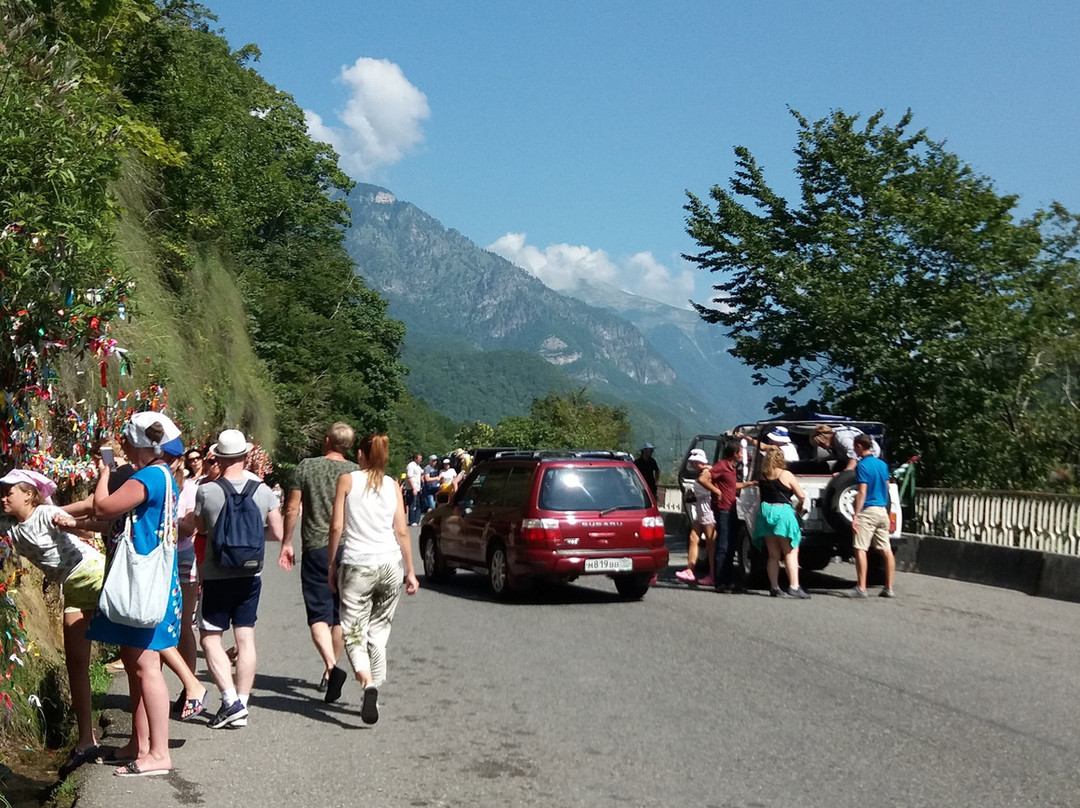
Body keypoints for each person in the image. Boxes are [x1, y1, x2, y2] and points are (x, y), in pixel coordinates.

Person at [85, 411, 185, 777]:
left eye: (126, 440)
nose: (122, 446)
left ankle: (158, 753)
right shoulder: (164, 475)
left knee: (146, 666)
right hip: (153, 581)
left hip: (146, 585)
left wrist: (104, 473)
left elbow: (102, 506)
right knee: (135, 663)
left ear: (139, 442)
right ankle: (139, 744)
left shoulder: (149, 477)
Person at [0, 469, 106, 775]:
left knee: (136, 643)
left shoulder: (45, 513)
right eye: (2, 492)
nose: (4, 496)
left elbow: (87, 507)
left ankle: (191, 686)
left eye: (10, 491)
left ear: (29, 494)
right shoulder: (12, 528)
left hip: (94, 575)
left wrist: (90, 500)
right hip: (73, 589)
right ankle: (87, 740)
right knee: (75, 662)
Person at [192, 429, 283, 729]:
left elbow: (201, 529)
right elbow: (278, 533)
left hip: (217, 574)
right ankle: (242, 703)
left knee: (210, 638)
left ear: (217, 457)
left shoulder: (207, 491)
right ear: (245, 457)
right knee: (245, 637)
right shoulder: (265, 491)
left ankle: (229, 700)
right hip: (250, 573)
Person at [328, 434, 419, 725]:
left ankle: (366, 682)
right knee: (379, 632)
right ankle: (375, 692)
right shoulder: (393, 485)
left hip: (357, 562)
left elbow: (337, 526)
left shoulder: (347, 480)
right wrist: (410, 571)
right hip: (390, 563)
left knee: (353, 630)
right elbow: (402, 531)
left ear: (360, 454)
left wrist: (332, 564)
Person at [278, 422, 358, 701]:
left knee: (318, 612)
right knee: (339, 614)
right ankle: (329, 673)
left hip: (316, 546)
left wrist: (287, 542)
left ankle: (331, 666)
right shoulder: (356, 472)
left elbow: (292, 507)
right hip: (350, 547)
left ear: (326, 440)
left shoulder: (307, 467)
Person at [752, 446, 810, 599]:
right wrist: (799, 507)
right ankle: (794, 586)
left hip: (765, 512)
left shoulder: (762, 475)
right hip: (782, 512)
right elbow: (801, 496)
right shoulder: (786, 474)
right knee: (790, 551)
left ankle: (774, 587)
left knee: (773, 554)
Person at [846, 434, 896, 598]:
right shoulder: (882, 464)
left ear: (860, 446)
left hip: (868, 511)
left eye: (855, 447)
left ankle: (861, 587)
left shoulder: (862, 466)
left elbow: (862, 491)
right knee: (886, 550)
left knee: (860, 548)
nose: (854, 450)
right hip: (882, 510)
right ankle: (888, 588)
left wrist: (856, 515)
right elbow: (887, 486)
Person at [709, 440, 758, 592]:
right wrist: (716, 491)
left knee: (730, 546)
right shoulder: (721, 465)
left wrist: (749, 484)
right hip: (723, 509)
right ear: (735, 453)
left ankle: (729, 580)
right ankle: (720, 581)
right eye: (741, 452)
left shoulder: (731, 469)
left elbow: (732, 486)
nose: (743, 454)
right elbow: (704, 478)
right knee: (723, 546)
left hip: (731, 509)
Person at [675, 449, 721, 585]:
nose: (693, 465)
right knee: (693, 538)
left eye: (695, 462)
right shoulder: (703, 472)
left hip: (707, 509)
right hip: (700, 508)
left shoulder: (708, 472)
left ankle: (713, 574)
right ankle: (690, 570)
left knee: (710, 544)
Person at [812, 424, 880, 472]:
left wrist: (844, 474)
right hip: (853, 458)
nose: (822, 447)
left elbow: (853, 457)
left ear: (826, 438)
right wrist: (824, 459)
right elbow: (840, 454)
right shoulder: (831, 442)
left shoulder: (843, 438)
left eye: (822, 444)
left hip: (869, 456)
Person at [405, 453, 423, 525]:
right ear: (415, 458)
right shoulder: (411, 466)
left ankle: (416, 520)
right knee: (412, 504)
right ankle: (411, 521)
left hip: (418, 488)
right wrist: (413, 488)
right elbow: (410, 477)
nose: (421, 460)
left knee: (419, 505)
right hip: (412, 488)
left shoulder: (418, 466)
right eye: (420, 458)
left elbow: (422, 472)